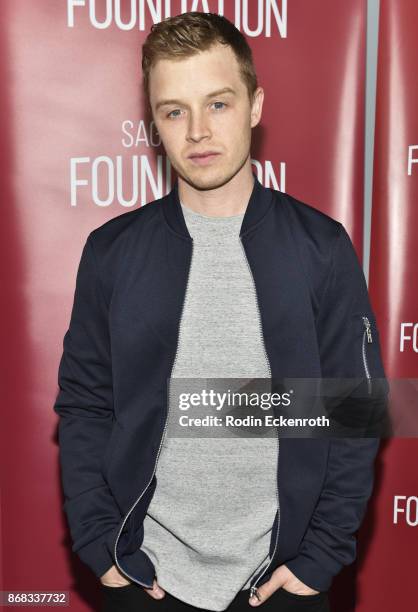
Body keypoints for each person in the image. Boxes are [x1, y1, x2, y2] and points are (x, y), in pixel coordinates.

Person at [53, 11, 389, 612]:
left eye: (219, 103)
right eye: (174, 110)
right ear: (154, 121)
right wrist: (103, 550)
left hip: (281, 577)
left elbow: (356, 410)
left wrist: (318, 560)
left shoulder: (321, 248)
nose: (198, 132)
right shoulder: (111, 253)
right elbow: (85, 405)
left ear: (256, 106)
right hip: (144, 574)